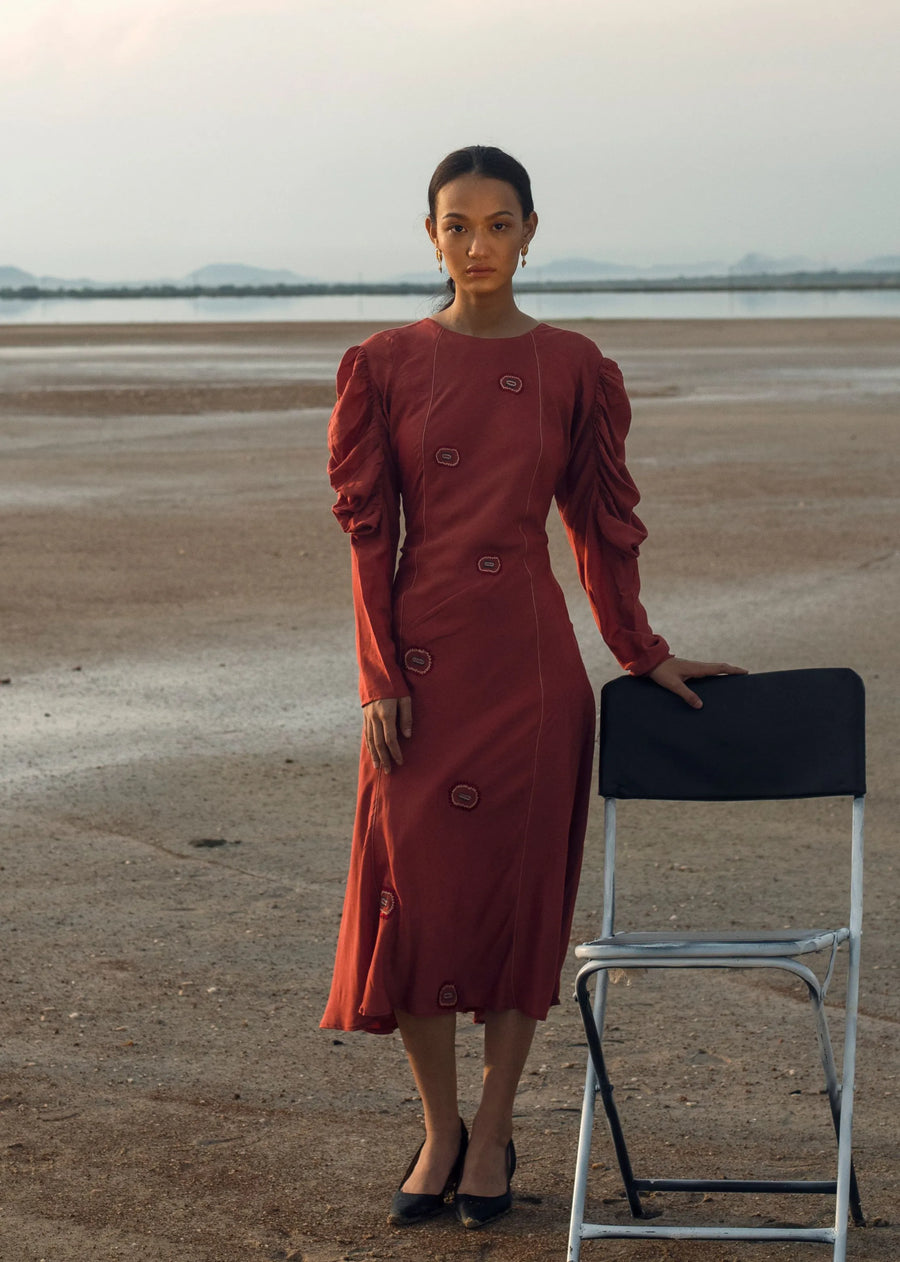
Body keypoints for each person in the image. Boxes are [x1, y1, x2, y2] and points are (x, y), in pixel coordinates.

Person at [320, 144, 745, 1231]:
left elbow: (600, 522)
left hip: (532, 676)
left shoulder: (573, 367)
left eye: (498, 224)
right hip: (420, 672)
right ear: (430, 237)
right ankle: (439, 1128)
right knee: (412, 901)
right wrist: (377, 674)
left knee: (518, 905)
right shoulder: (382, 364)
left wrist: (640, 649)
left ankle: (496, 1127)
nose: (478, 246)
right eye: (457, 225)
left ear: (530, 232)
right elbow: (370, 537)